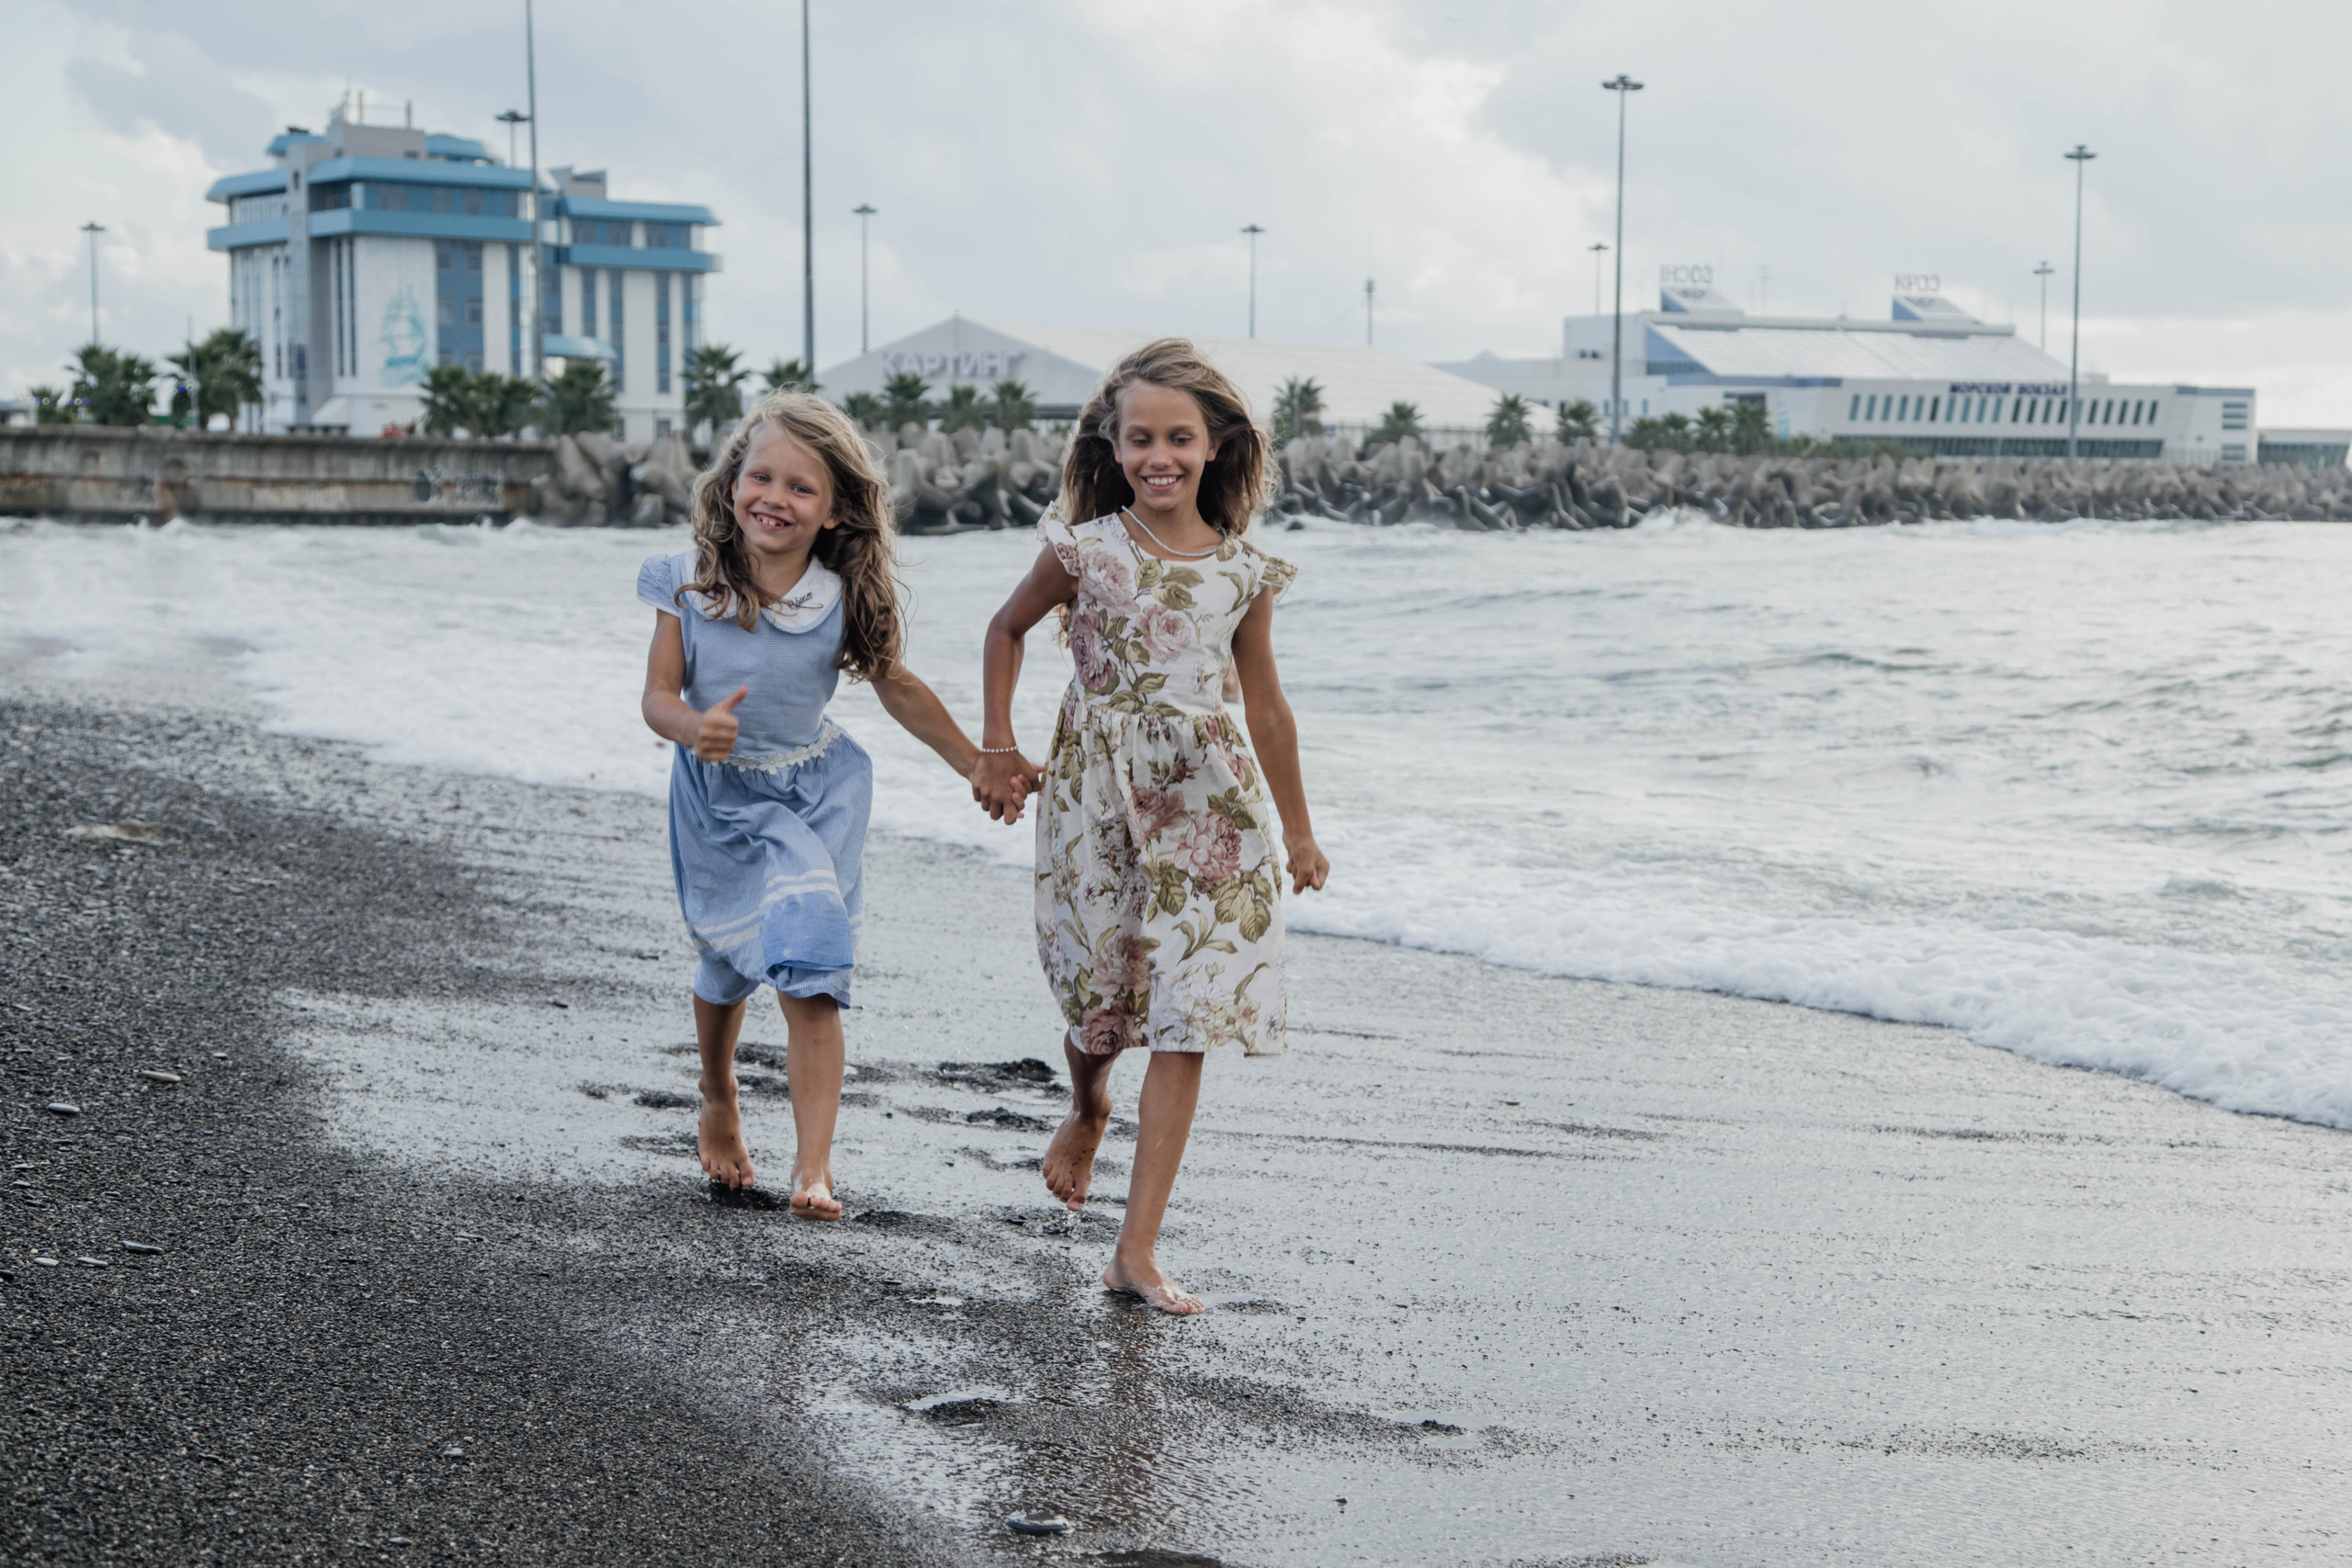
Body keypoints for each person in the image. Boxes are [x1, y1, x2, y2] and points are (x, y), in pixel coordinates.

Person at [972, 339, 1329, 1314]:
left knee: (1190, 1015)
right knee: (1103, 1000)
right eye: (1140, 438)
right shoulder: (1082, 550)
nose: (1159, 454)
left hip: (1211, 810)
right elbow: (1003, 630)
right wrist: (997, 749)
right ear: (1114, 444)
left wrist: (1297, 831)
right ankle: (1087, 1102)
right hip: (1097, 794)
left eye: (1180, 437)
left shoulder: (1247, 572)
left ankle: (1135, 1251)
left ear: (1216, 446)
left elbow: (1267, 709)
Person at [639, 390, 1002, 1220]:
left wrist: (975, 764)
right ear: (732, 484)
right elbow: (658, 698)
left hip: (813, 795)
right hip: (720, 799)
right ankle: (719, 1090)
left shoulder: (838, 597)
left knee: (811, 962)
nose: (776, 498)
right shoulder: (686, 584)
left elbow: (897, 688)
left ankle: (814, 1169)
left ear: (835, 510)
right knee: (727, 965)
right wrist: (696, 726)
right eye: (761, 477)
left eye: (801, 488)